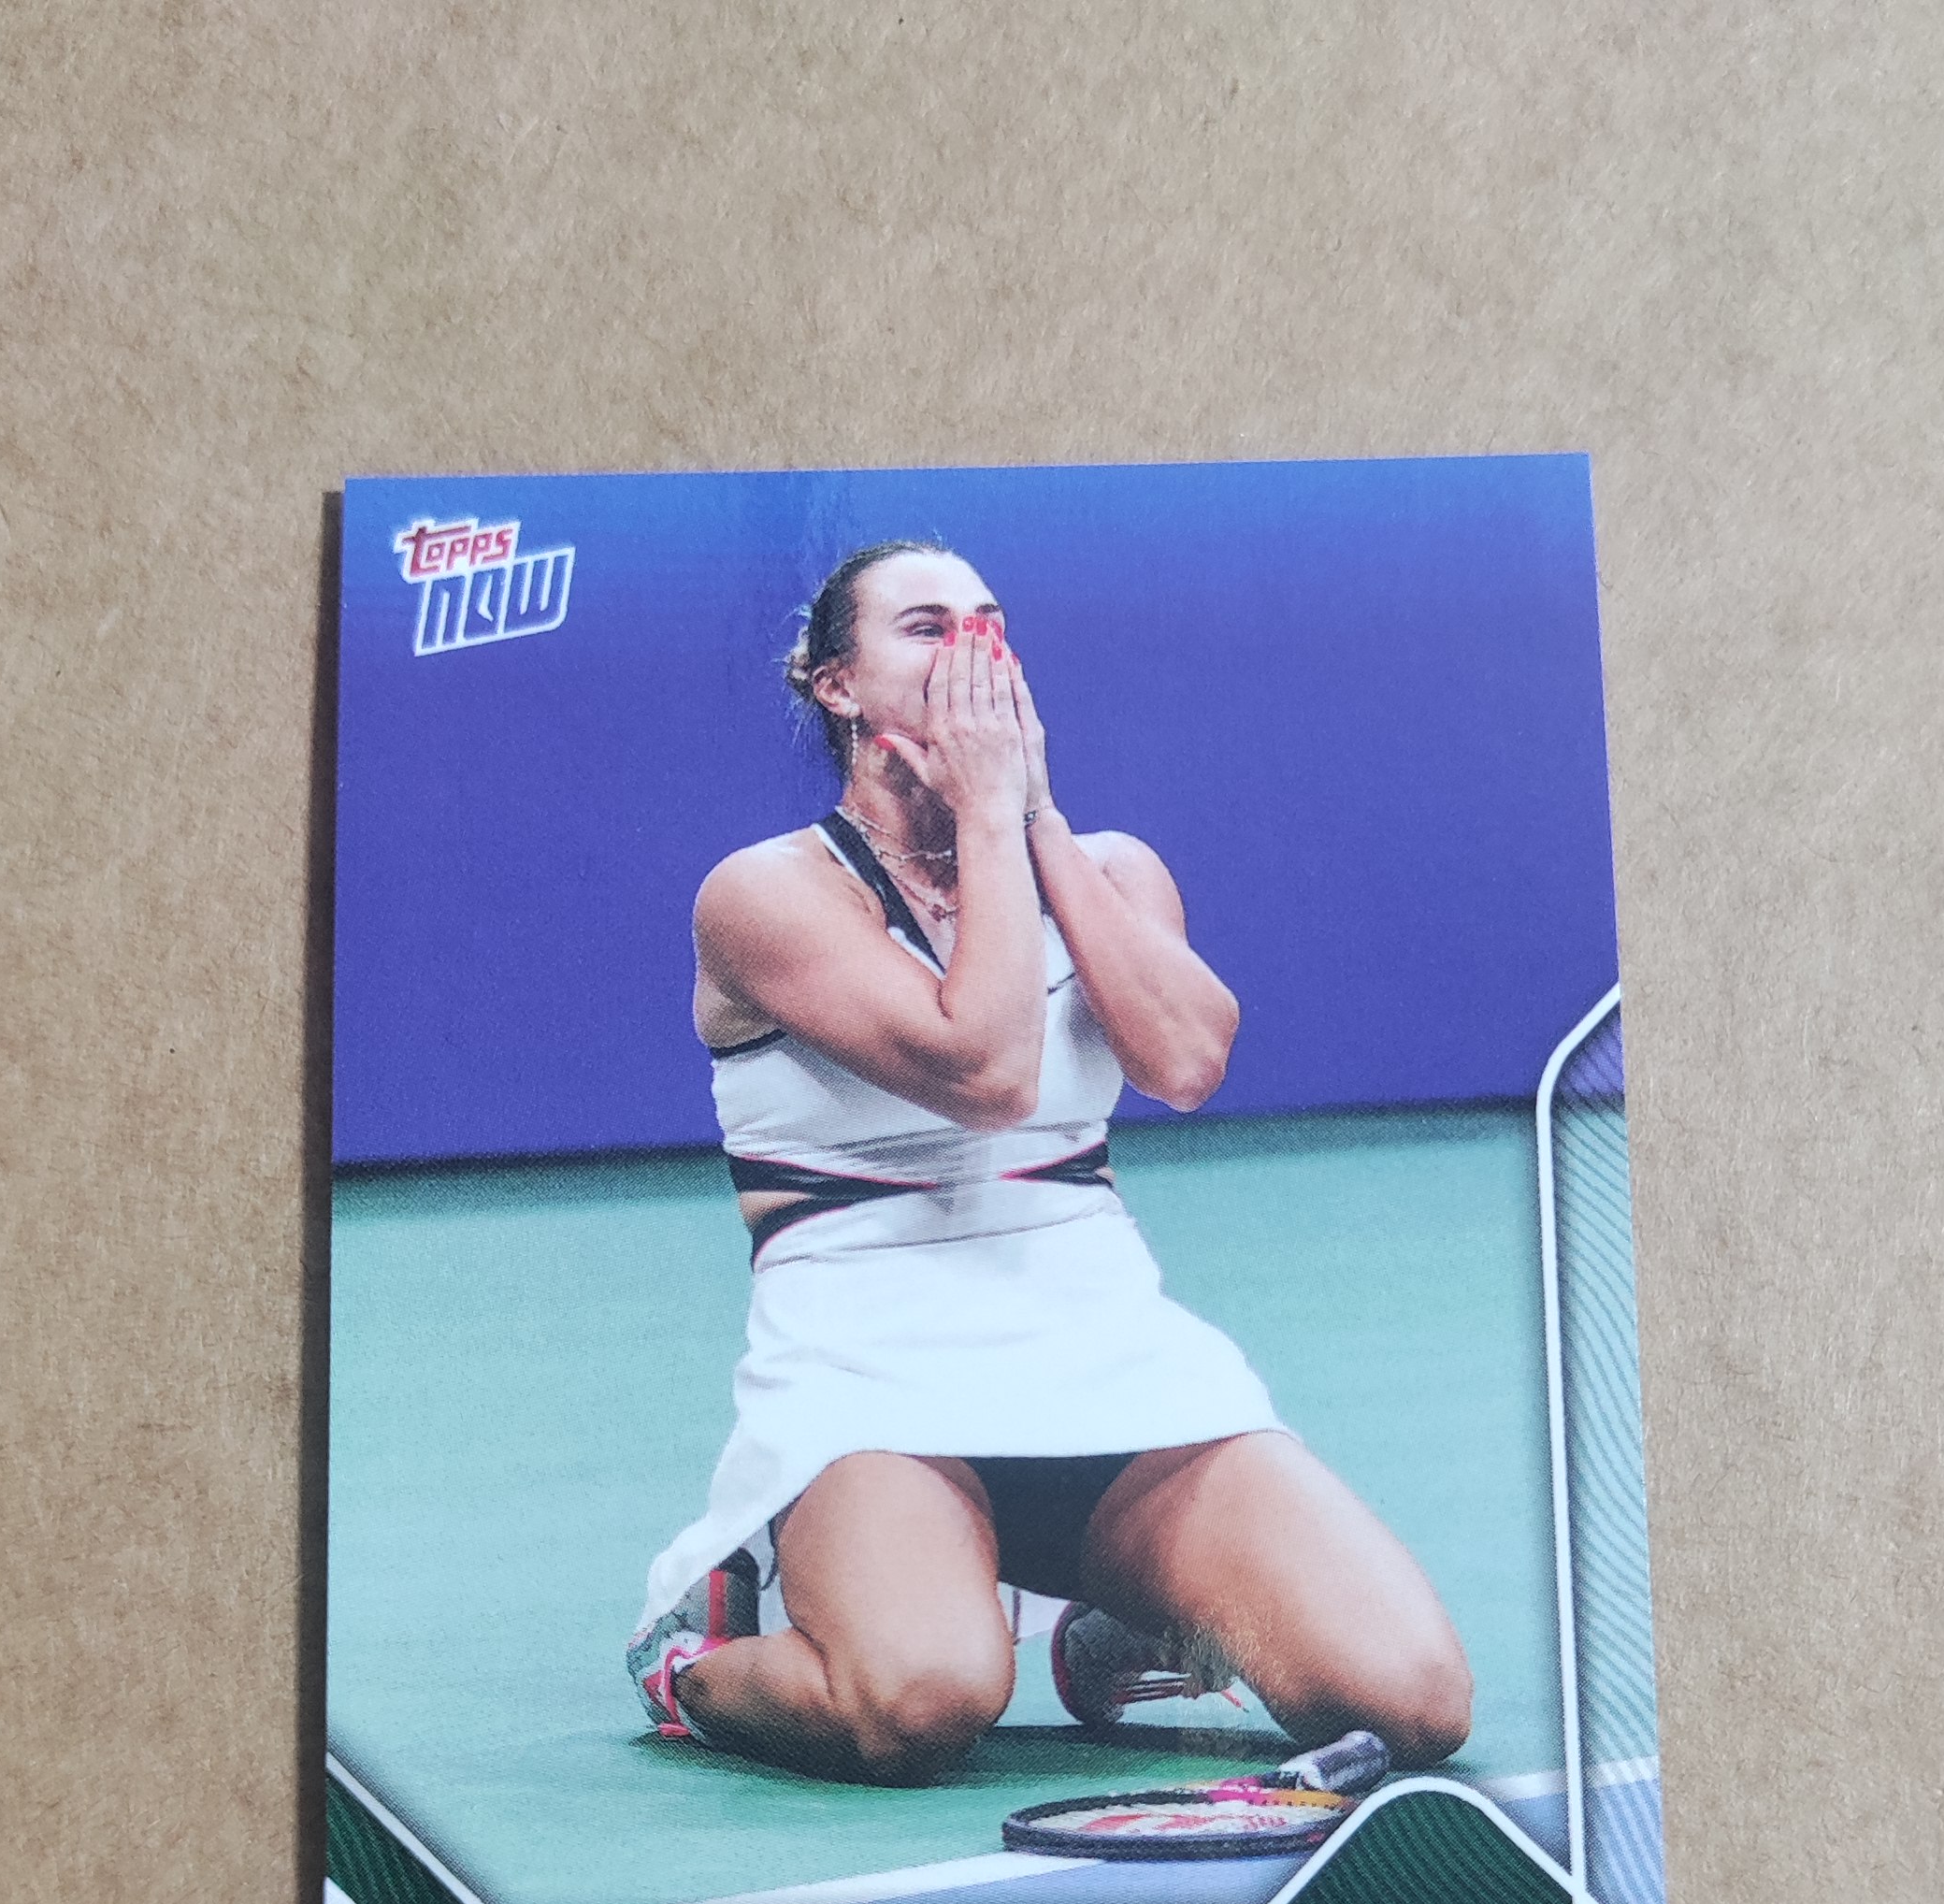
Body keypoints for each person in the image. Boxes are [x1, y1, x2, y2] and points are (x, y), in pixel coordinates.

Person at [626, 540, 1471, 1786]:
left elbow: (1188, 1062)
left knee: (1413, 1704)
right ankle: (691, 1658)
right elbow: (988, 1075)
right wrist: (985, 813)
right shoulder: (764, 894)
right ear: (837, 686)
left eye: (989, 623)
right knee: (921, 1703)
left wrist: (1034, 824)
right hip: (871, 1380)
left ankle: (1118, 1626)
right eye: (926, 626)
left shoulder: (1114, 867)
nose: (970, 649)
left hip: (1108, 1357)